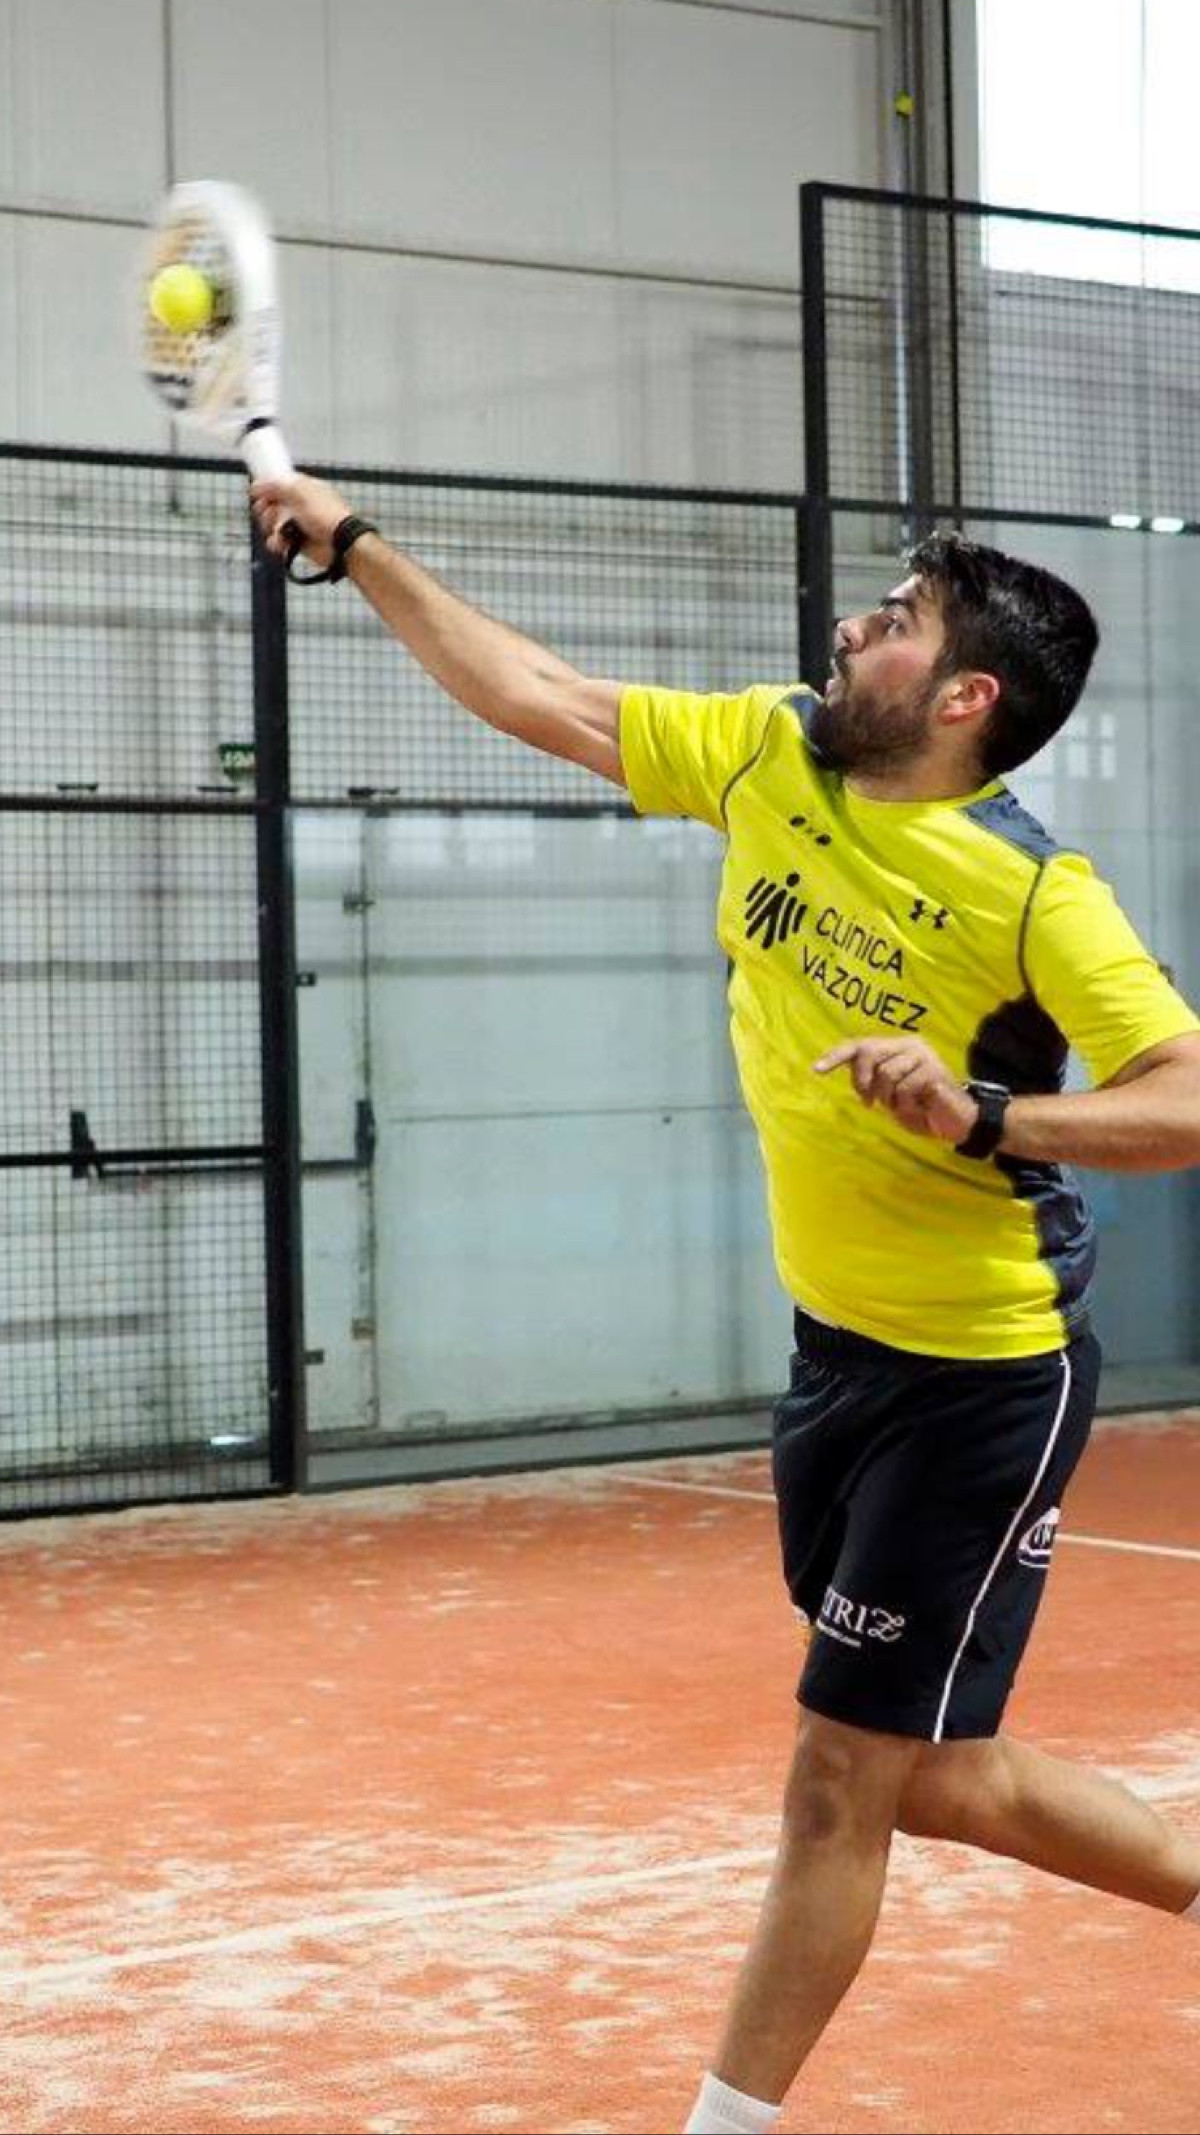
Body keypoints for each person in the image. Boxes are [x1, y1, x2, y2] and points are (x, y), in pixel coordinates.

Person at [252, 477, 1200, 2135]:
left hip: (980, 1377)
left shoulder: (1035, 896)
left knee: (837, 1783)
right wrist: (357, 548)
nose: (851, 626)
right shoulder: (770, 753)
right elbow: (538, 695)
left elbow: (1186, 1099)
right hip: (836, 1360)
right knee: (936, 1778)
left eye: (896, 623)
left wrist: (988, 1115)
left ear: (964, 699)